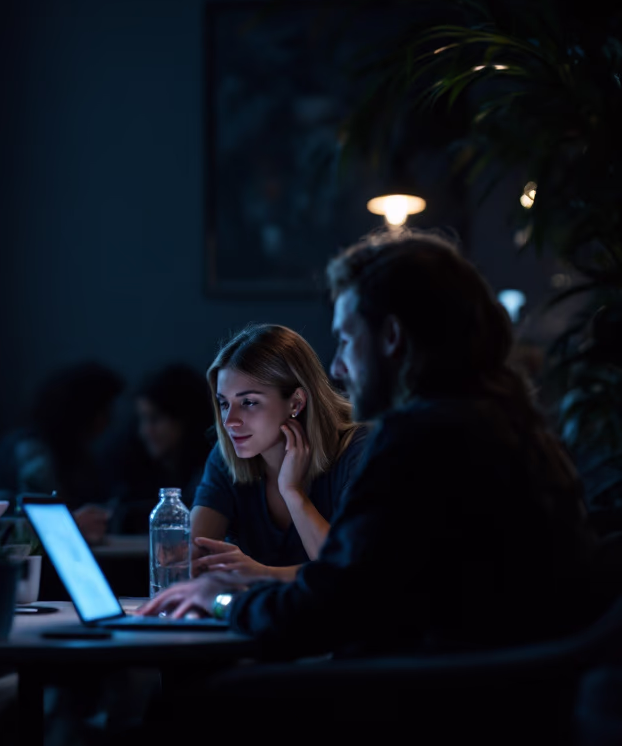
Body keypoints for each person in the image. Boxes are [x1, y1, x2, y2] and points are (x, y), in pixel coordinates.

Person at [142, 231, 602, 657]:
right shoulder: (513, 427)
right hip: (509, 696)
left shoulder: (418, 442)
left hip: (434, 703)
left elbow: (328, 609)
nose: (338, 368)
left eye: (345, 340)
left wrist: (222, 600)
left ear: (392, 338)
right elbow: (360, 586)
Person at [188, 325, 370, 583]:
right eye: (224, 403)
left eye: (249, 402)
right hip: (260, 619)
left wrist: (293, 493)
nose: (230, 421)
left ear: (296, 403)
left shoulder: (358, 451)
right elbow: (189, 562)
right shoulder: (228, 454)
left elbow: (351, 574)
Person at [0, 361, 125, 544]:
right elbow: (45, 518)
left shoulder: (73, 455)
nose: (108, 422)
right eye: (104, 412)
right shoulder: (33, 452)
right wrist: (75, 524)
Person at [103, 363, 214, 532]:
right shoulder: (135, 477)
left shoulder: (212, 473)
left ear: (184, 419)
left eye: (155, 419)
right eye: (142, 419)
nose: (145, 431)